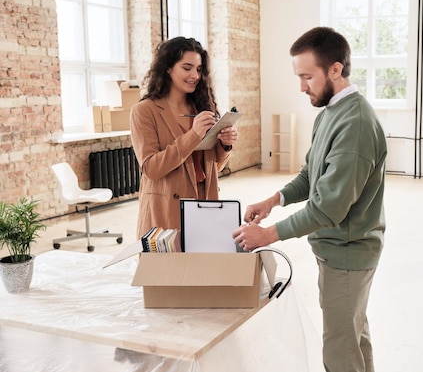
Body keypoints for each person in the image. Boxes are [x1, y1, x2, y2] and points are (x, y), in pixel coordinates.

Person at [232, 27, 386, 372]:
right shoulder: (330, 112)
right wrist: (276, 198)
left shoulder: (356, 122)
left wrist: (269, 235)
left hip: (348, 251)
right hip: (337, 249)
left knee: (340, 349)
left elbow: (329, 206)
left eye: (307, 77)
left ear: (335, 69)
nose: (302, 87)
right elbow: (311, 175)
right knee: (353, 335)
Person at [130, 37, 238, 246]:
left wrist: (225, 145)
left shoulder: (201, 107)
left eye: (198, 69)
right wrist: (193, 134)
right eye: (187, 68)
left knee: (202, 271)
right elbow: (151, 168)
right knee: (168, 274)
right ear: (168, 68)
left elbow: (212, 166)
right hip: (166, 210)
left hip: (204, 203)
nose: (194, 76)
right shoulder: (144, 111)